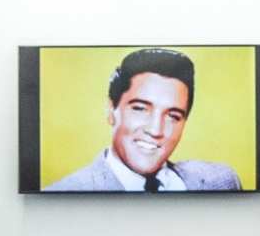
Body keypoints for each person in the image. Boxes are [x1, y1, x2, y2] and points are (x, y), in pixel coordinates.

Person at [45, 47, 242, 192]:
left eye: (173, 116)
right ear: (111, 110)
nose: (156, 130)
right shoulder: (67, 191)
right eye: (140, 108)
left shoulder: (223, 181)